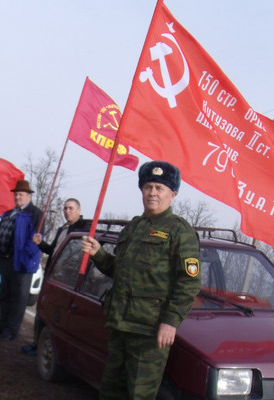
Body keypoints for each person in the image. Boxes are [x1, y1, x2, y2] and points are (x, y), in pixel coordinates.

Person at [81, 161, 201, 399]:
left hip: (149, 331)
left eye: (159, 188)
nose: (152, 193)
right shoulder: (134, 227)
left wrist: (171, 321)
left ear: (172, 194)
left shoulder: (180, 232)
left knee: (139, 395)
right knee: (110, 391)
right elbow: (121, 271)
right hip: (121, 324)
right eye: (148, 187)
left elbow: (188, 282)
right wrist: (98, 254)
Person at [20, 197, 87, 355]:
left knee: (58, 315)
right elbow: (53, 251)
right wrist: (40, 244)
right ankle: (37, 343)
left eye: (71, 208)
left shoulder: (82, 230)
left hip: (69, 280)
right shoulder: (63, 229)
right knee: (44, 309)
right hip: (54, 275)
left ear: (79, 210)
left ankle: (49, 348)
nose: (67, 211)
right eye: (65, 208)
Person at [0, 180, 43, 341]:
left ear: (29, 196)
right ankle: (1, 325)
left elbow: (36, 240)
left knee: (18, 298)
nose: (18, 197)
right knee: (5, 295)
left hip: (21, 263)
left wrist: (25, 254)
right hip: (6, 260)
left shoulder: (35, 214)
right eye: (16, 194)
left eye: (21, 194)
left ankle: (12, 330)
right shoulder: (10, 212)